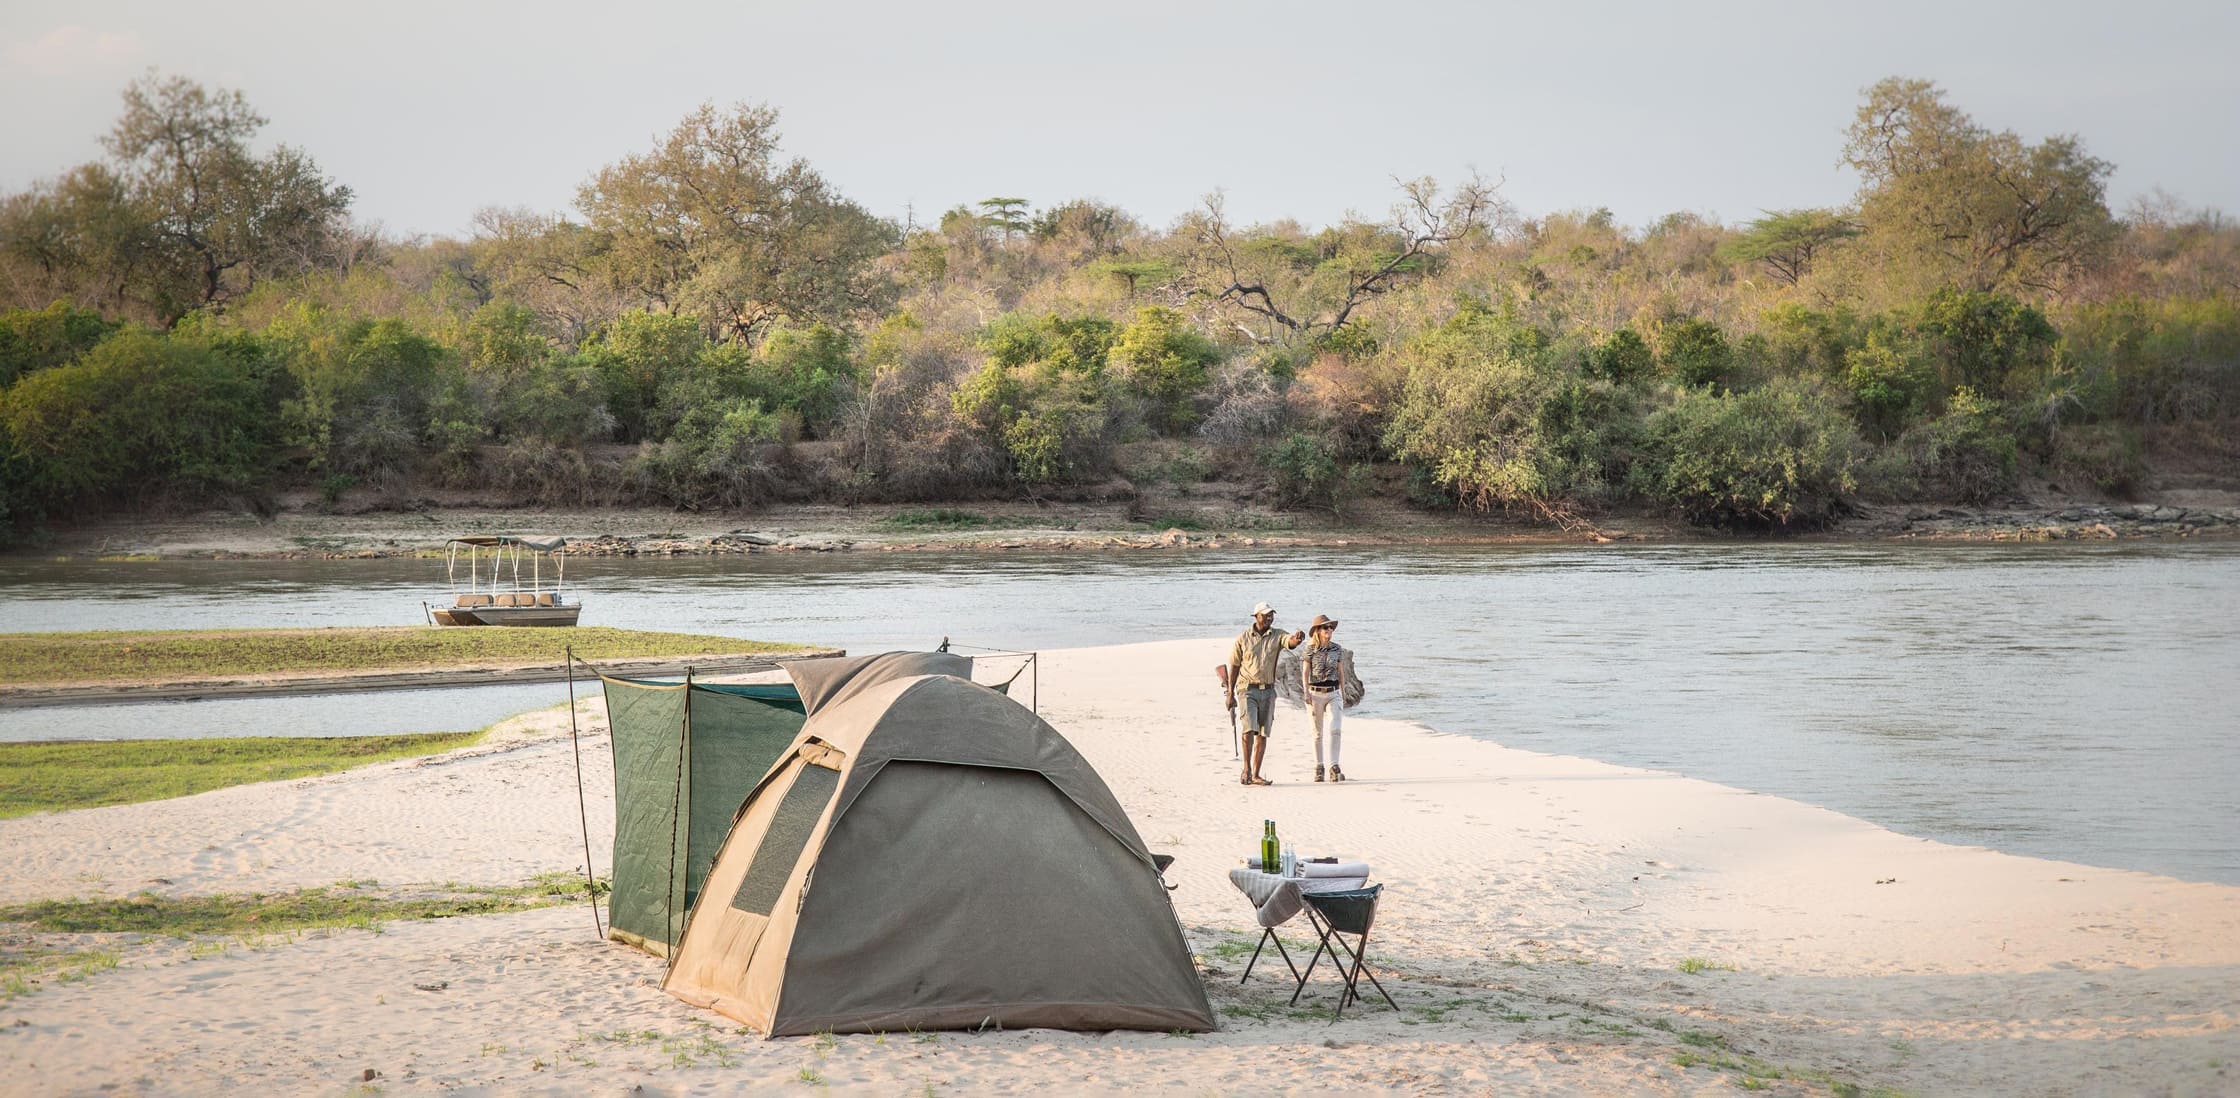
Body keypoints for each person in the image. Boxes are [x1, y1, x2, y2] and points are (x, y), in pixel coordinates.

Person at [1226, 602, 1303, 786]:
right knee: (1248, 729)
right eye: (1266, 615)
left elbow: (1289, 642)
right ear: (1256, 616)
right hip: (1247, 689)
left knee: (1262, 733)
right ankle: (1247, 769)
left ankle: (1256, 774)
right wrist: (1230, 693)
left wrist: (1297, 639)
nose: (1270, 617)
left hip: (1268, 690)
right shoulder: (1243, 639)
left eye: (1271, 615)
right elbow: (1234, 667)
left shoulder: (1277, 635)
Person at [1299, 614, 1355, 782]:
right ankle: (1319, 766)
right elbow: (1305, 672)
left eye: (1331, 627)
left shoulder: (1337, 649)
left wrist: (1343, 692)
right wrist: (1306, 692)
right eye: (1326, 627)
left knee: (1335, 729)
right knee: (1317, 733)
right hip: (1315, 693)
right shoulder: (1309, 649)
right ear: (1317, 630)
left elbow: (1340, 671)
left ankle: (1334, 765)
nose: (1329, 630)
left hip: (1333, 692)